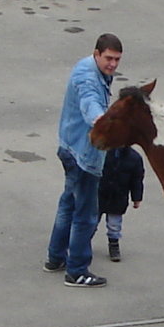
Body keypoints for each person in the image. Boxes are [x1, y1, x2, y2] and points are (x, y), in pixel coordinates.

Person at [44, 33, 122, 287]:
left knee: (68, 203)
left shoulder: (86, 67)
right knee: (86, 214)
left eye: (117, 60)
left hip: (69, 147)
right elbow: (92, 109)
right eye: (109, 58)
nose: (112, 64)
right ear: (97, 54)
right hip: (83, 155)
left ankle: (56, 257)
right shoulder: (88, 79)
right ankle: (77, 270)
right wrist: (108, 127)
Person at [98, 146, 145, 262]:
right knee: (91, 221)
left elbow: (137, 180)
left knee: (114, 225)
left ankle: (113, 245)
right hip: (99, 193)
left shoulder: (134, 158)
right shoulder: (102, 151)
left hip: (118, 197)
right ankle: (83, 242)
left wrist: (137, 198)